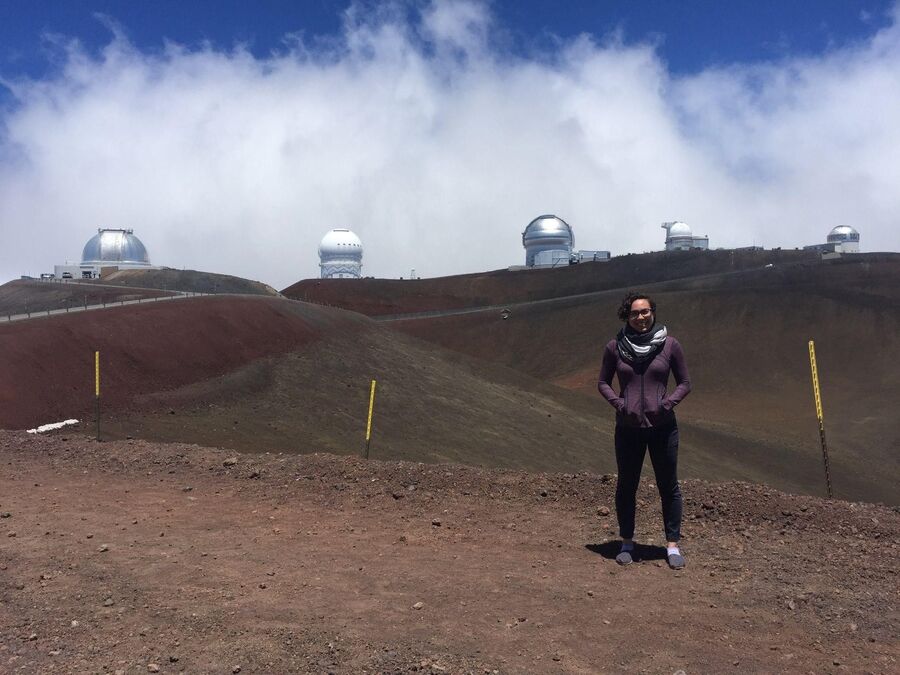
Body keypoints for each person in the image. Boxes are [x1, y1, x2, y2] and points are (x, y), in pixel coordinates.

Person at [597, 292, 691, 569]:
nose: (641, 317)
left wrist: (668, 403)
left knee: (669, 486)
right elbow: (603, 382)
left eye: (645, 311)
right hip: (628, 428)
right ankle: (627, 541)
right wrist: (619, 403)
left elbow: (685, 382)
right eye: (635, 313)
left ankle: (672, 545)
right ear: (627, 316)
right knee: (627, 485)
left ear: (653, 312)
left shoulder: (670, 345)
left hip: (663, 427)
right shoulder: (615, 347)